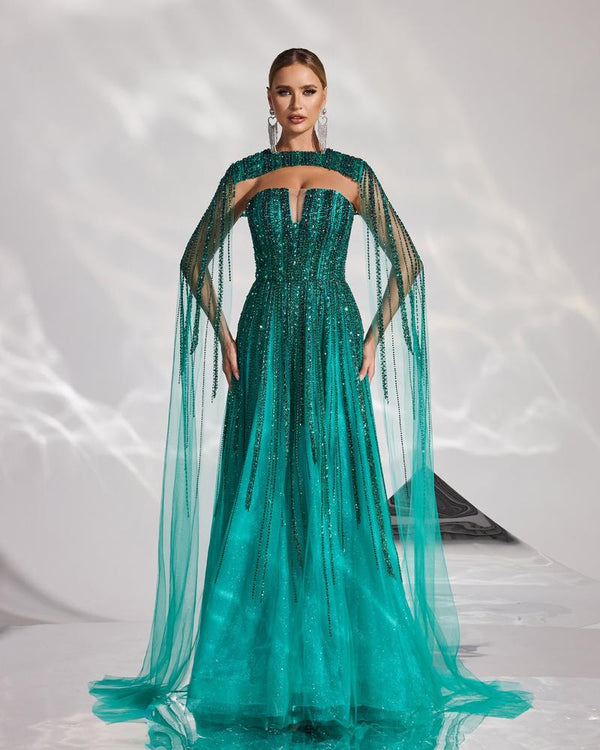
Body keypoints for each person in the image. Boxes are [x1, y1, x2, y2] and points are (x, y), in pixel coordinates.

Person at [89, 48, 534, 748]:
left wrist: (374, 337)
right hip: (265, 338)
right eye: (284, 91)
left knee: (333, 493)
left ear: (326, 96)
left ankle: (341, 677)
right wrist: (225, 336)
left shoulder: (354, 174)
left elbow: (408, 262)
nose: (296, 104)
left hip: (331, 337)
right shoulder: (245, 174)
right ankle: (264, 680)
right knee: (263, 494)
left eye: (308, 90)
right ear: (268, 98)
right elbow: (194, 259)